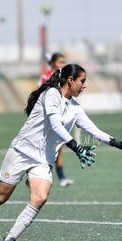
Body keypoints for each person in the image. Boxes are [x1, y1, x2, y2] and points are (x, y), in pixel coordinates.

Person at [0, 64, 122, 241]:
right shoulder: (51, 94)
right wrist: (76, 147)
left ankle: (10, 239)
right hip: (22, 152)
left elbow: (94, 131)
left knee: (40, 197)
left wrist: (121, 145)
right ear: (70, 80)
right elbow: (55, 124)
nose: (85, 86)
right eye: (82, 81)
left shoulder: (75, 107)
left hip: (43, 160)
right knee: (0, 198)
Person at [38, 52, 73, 187]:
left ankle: (62, 178)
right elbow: (40, 92)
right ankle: (34, 176)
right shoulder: (47, 76)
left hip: (58, 116)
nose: (62, 65)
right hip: (47, 117)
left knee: (58, 148)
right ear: (52, 63)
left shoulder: (65, 77)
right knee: (43, 149)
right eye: (60, 62)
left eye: (64, 62)